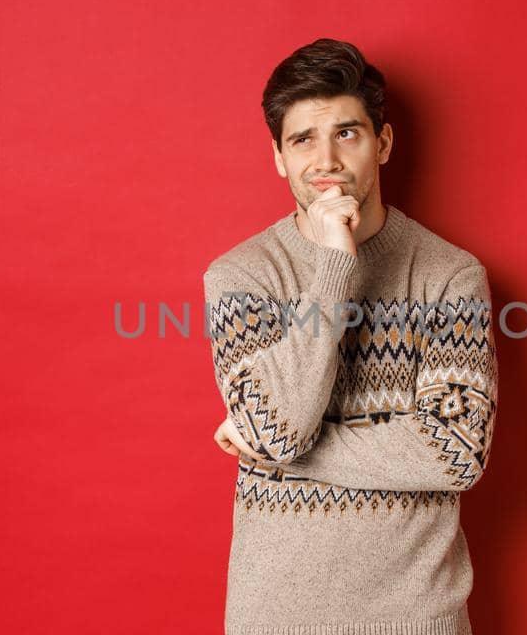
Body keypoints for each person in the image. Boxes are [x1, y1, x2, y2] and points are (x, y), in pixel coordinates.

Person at [202, 38, 500, 635]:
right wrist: (335, 267)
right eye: (302, 139)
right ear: (279, 158)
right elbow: (274, 427)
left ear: (382, 143)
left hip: (418, 617)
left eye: (347, 133)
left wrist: (281, 453)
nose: (326, 160)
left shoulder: (450, 276)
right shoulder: (240, 277)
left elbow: (456, 454)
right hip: (274, 617)